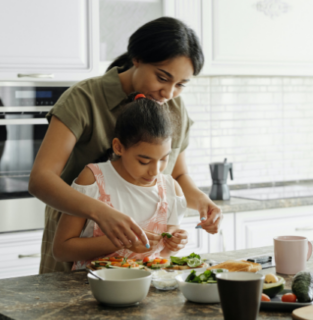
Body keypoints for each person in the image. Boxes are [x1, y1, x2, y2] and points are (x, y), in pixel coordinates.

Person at [29, 17, 222, 274]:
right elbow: (40, 179)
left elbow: (176, 175)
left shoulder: (174, 107)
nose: (169, 93)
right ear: (137, 59)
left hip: (140, 262)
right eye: (162, 78)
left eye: (180, 85)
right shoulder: (84, 98)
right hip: (77, 243)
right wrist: (101, 212)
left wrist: (201, 202)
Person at [53, 94, 188, 269]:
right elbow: (61, 250)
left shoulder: (171, 190)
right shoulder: (93, 180)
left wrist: (174, 244)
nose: (155, 171)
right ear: (118, 147)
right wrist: (121, 241)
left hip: (148, 288)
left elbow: (164, 255)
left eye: (164, 159)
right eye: (144, 161)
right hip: (92, 288)